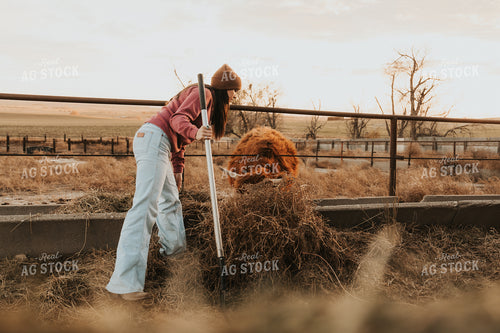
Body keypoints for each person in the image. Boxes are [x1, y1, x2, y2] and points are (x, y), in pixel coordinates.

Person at [106, 64, 241, 301]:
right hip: (153, 140)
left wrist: (177, 170)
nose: (235, 95)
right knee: (145, 206)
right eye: (233, 90)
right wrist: (196, 132)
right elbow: (179, 121)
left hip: (161, 144)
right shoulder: (206, 94)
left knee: (170, 202)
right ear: (224, 88)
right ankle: (125, 284)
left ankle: (175, 257)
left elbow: (177, 137)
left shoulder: (207, 100)